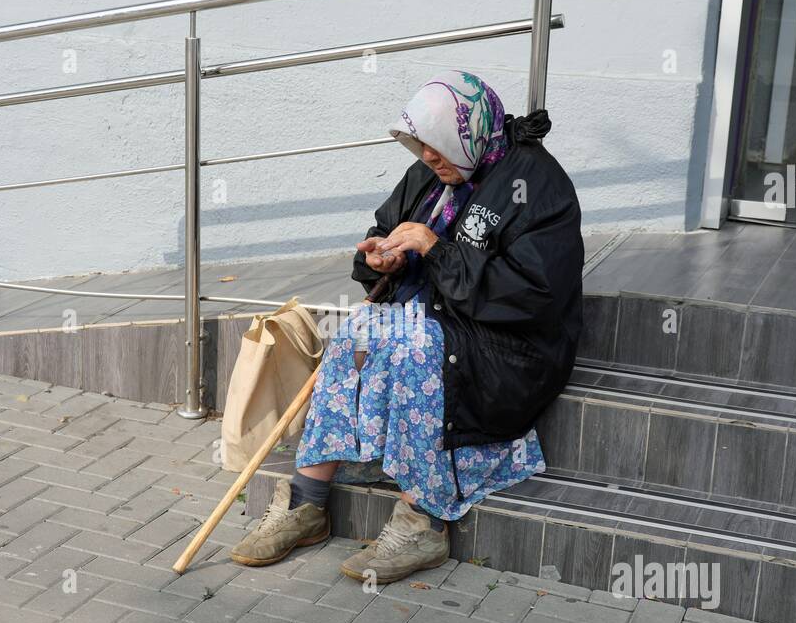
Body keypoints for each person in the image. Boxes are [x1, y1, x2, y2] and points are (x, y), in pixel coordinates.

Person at [229, 71, 583, 584]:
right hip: (439, 322)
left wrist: (436, 251)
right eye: (421, 147)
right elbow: (388, 231)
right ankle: (307, 505)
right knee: (358, 328)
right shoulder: (432, 175)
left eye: (437, 146)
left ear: (468, 132)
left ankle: (422, 520)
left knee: (412, 344)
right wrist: (384, 261)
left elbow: (533, 296)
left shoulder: (536, 182)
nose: (429, 158)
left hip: (513, 347)